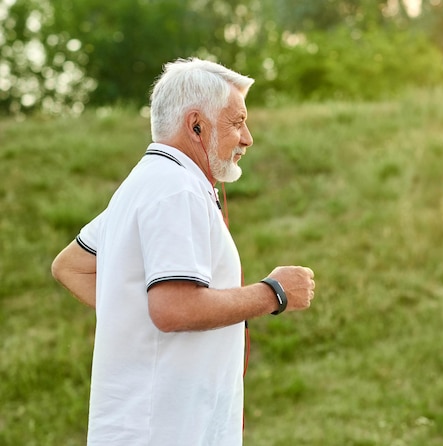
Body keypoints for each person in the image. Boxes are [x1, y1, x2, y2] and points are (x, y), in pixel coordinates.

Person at [51, 58, 316, 446]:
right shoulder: (176, 188)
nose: (248, 138)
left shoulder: (147, 182)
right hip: (166, 431)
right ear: (196, 125)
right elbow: (174, 308)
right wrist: (274, 293)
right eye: (237, 121)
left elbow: (71, 266)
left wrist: (137, 322)